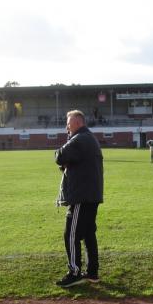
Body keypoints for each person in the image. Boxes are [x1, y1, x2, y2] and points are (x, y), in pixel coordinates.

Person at [54, 110, 104, 287]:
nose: (67, 126)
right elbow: (68, 161)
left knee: (71, 234)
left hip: (82, 196)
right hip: (91, 194)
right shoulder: (88, 138)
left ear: (76, 122)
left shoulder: (79, 139)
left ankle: (74, 272)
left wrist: (64, 159)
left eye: (68, 123)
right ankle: (92, 272)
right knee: (89, 233)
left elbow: (59, 156)